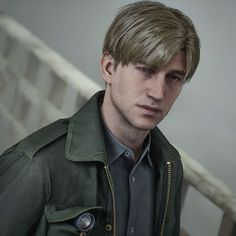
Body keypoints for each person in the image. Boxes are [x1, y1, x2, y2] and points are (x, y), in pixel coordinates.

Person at [0, 1, 200, 236]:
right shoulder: (36, 164)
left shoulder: (169, 164)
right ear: (109, 67)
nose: (158, 93)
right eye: (146, 70)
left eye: (174, 77)